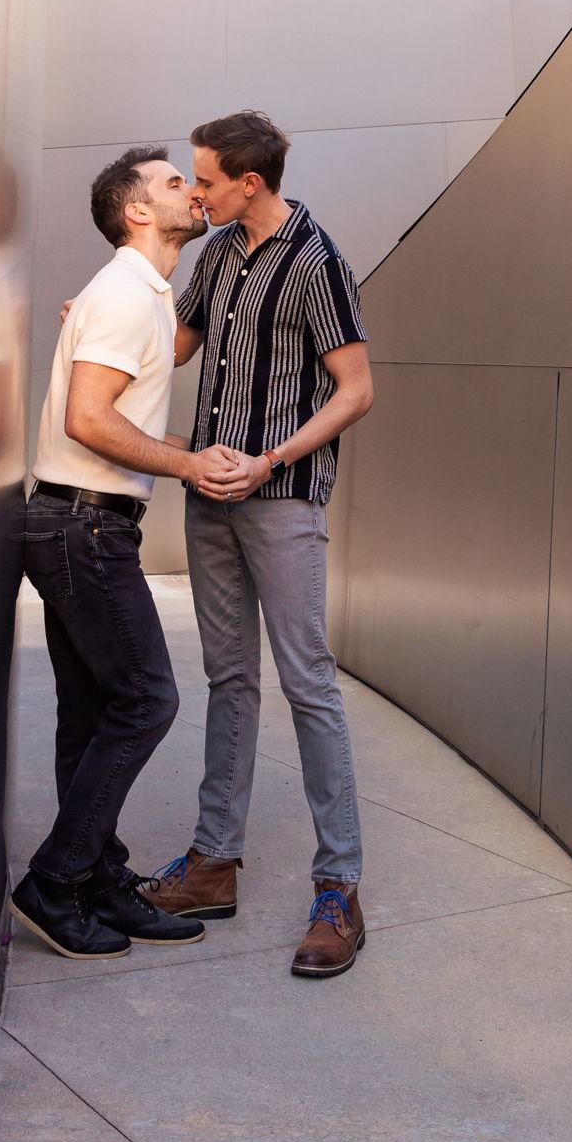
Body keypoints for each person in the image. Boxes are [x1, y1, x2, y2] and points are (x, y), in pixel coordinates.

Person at [136, 112, 379, 979]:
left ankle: (339, 887)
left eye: (204, 179)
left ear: (251, 182)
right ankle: (213, 864)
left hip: (280, 502)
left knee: (308, 680)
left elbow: (356, 390)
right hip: (209, 501)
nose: (193, 191)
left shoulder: (317, 262)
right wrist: (111, 320)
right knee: (229, 678)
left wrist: (271, 459)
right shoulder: (215, 255)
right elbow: (170, 349)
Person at [8, 148, 218, 962]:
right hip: (85, 532)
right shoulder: (128, 295)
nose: (191, 192)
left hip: (72, 524)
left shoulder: (136, 296)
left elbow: (108, 420)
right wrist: (192, 463)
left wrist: (188, 450)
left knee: (93, 714)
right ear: (136, 211)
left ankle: (96, 880)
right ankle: (57, 882)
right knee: (147, 702)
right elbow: (89, 421)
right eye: (173, 184)